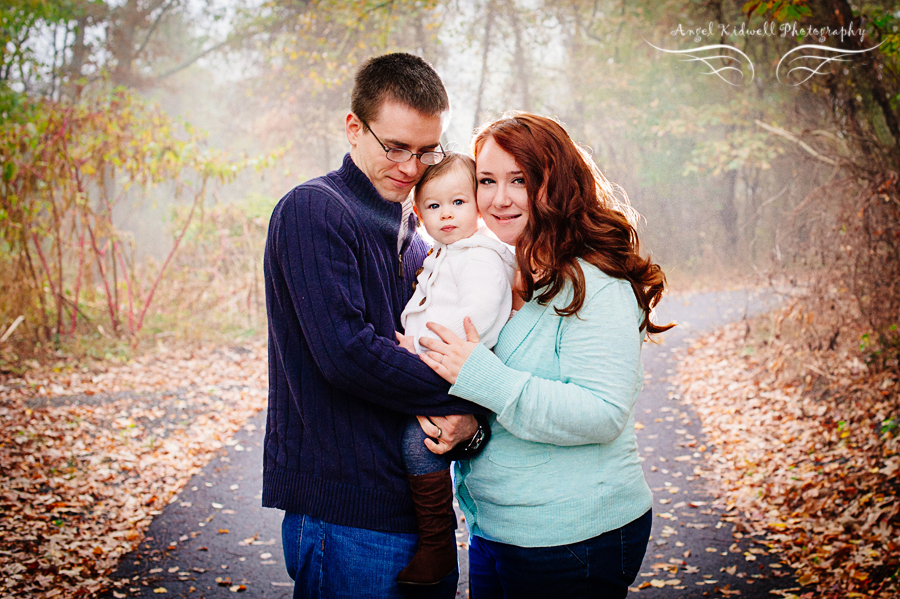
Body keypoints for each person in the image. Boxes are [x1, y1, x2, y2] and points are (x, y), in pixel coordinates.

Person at [414, 112, 674, 598]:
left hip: (572, 537)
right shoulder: (497, 272)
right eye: (487, 180)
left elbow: (602, 413)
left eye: (520, 180)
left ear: (555, 184)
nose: (499, 198)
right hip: (497, 531)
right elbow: (504, 408)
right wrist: (471, 427)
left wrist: (480, 376)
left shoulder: (596, 282)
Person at [262, 53, 491, 599]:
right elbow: (348, 353)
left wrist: (473, 411)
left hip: (418, 506)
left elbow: (445, 340)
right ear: (353, 128)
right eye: (395, 147)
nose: (412, 167)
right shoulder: (313, 210)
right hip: (348, 513)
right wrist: (483, 389)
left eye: (426, 150)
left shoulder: (415, 230)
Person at [394, 153, 516, 585]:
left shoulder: (480, 256)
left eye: (459, 202)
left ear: (478, 205)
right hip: (438, 362)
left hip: (457, 366)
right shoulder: (443, 253)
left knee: (418, 440)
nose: (446, 214)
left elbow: (475, 317)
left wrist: (419, 349)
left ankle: (437, 543)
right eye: (433, 206)